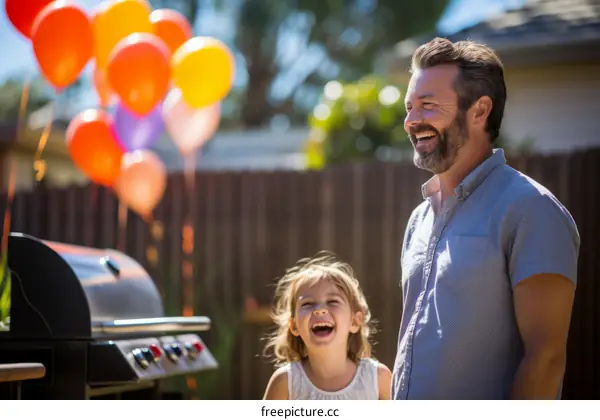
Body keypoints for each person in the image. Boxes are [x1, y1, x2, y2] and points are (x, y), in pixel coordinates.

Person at [392, 37, 580, 400]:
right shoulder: (419, 219)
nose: (412, 121)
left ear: (479, 111)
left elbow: (545, 357)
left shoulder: (531, 210)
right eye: (409, 107)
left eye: (428, 106)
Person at [263, 252, 392, 400]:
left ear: (355, 321)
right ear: (294, 326)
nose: (319, 309)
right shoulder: (285, 382)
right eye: (308, 304)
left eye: (332, 301)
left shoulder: (378, 379)